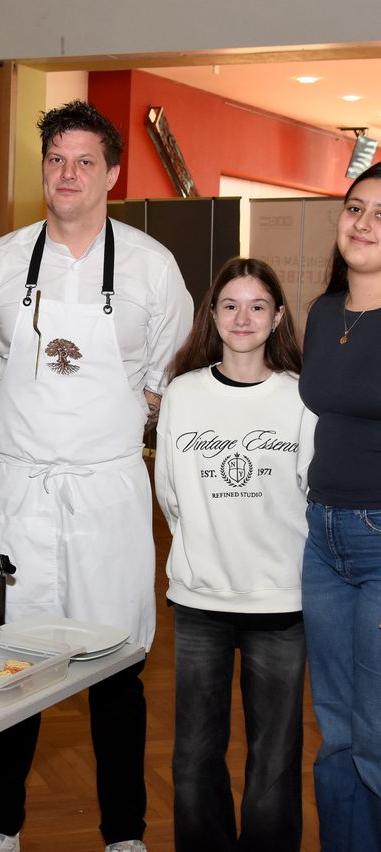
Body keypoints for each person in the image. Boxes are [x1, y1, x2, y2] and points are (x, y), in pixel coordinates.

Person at [0, 100, 193, 852]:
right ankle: (0, 824)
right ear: (44, 167)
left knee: (116, 664)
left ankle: (124, 833)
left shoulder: (153, 270)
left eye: (86, 161)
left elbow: (163, 382)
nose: (69, 174)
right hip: (18, 495)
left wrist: (89, 432)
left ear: (113, 173)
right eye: (57, 159)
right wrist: (41, 428)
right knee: (12, 666)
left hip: (106, 497)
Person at [155, 258, 313, 852]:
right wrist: (203, 550)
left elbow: (309, 490)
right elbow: (170, 494)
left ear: (276, 318)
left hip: (281, 599)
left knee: (275, 756)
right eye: (230, 305)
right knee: (196, 753)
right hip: (201, 600)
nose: (242, 317)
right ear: (212, 315)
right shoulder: (183, 394)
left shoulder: (301, 398)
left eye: (257, 306)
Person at [299, 161, 381, 850]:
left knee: (379, 736)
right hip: (322, 540)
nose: (364, 223)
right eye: (356, 207)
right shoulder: (324, 313)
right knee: (337, 733)